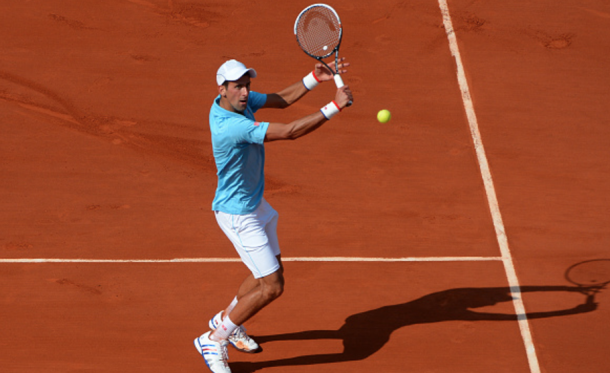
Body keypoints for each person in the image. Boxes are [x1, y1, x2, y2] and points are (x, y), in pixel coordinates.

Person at [194, 58, 353, 373]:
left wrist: (313, 78)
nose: (244, 92)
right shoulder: (232, 126)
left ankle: (227, 320)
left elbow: (280, 100)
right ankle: (214, 338)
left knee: (264, 273)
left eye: (246, 85)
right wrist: (333, 106)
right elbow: (290, 131)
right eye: (237, 86)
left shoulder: (234, 102)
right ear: (221, 89)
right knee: (273, 285)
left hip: (256, 206)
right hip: (238, 215)